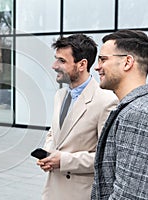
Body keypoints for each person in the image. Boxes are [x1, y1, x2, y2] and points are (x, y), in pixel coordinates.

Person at [36, 34, 118, 200]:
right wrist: (48, 154)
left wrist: (64, 160)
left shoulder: (106, 101)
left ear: (82, 65)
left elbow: (107, 158)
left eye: (62, 61)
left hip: (79, 193)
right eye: (56, 59)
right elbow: (54, 132)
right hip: (52, 189)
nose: (54, 66)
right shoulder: (60, 95)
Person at [91, 30, 148, 199]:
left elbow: (130, 195)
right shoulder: (135, 107)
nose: (97, 66)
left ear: (127, 62)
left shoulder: (137, 114)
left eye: (103, 59)